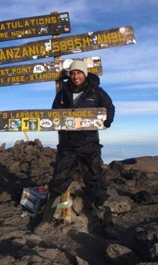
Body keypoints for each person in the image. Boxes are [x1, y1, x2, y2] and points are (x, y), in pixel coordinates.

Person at [35, 60, 116, 238]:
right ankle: (47, 219)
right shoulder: (63, 93)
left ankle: (107, 223)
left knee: (96, 181)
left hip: (89, 144)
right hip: (67, 145)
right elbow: (54, 113)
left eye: (79, 73)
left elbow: (109, 108)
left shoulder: (96, 91)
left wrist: (106, 121)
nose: (75, 76)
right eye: (72, 73)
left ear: (85, 74)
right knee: (58, 180)